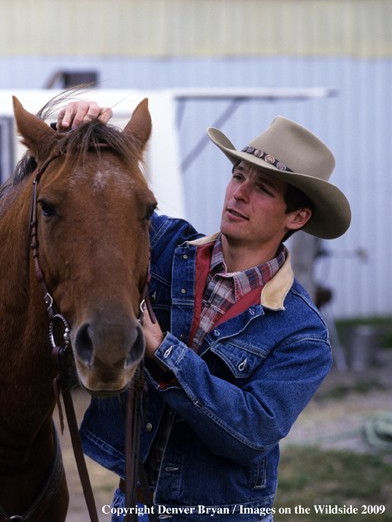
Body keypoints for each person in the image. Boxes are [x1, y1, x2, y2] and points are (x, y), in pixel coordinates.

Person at [57, 100, 351, 522]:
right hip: (133, 505)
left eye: (263, 189)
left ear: (298, 216)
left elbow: (251, 433)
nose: (239, 194)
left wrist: (166, 352)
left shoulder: (302, 333)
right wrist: (82, 138)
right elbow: (99, 205)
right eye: (237, 175)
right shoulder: (162, 244)